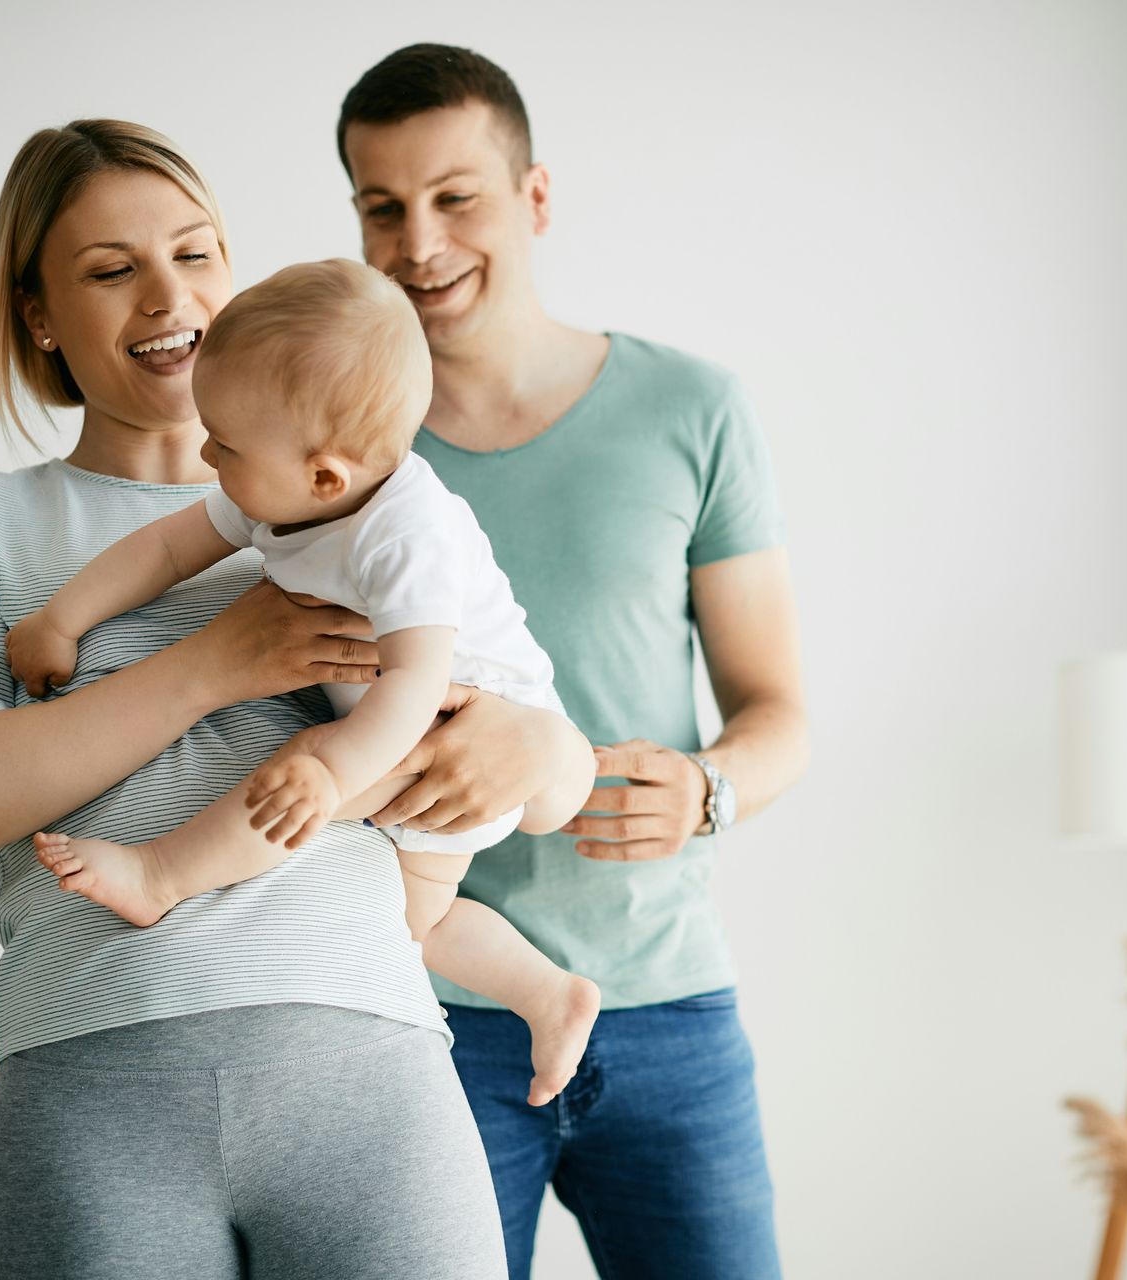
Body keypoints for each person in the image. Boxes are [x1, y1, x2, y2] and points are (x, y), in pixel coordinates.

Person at [0, 118, 591, 1278]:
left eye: (196, 252)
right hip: (93, 1087)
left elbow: (549, 778)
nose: (167, 295)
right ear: (37, 311)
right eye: (109, 269)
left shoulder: (354, 493)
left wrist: (540, 742)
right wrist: (209, 663)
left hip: (370, 1070)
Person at [336, 44, 810, 1280]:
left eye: (456, 196)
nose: (419, 240)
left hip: (669, 1009)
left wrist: (710, 787)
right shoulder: (335, 460)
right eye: (381, 207)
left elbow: (779, 710)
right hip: (423, 1018)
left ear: (535, 198)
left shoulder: (692, 408)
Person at [7, 258, 600, 1106]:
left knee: (310, 803)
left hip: (458, 736)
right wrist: (61, 619)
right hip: (416, 725)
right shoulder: (282, 484)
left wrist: (330, 771)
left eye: (226, 444)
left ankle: (161, 876)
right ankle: (549, 992)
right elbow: (168, 550)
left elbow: (413, 684)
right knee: (413, 919)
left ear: (326, 476)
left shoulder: (409, 535)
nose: (205, 451)